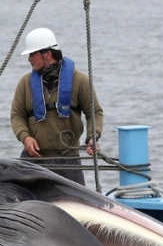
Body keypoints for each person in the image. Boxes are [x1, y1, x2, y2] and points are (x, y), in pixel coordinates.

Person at [10, 27, 103, 185]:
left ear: (47, 54)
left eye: (32, 54)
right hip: (34, 160)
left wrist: (92, 137)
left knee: (75, 206)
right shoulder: (25, 83)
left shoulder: (80, 81)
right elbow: (17, 115)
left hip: (69, 161)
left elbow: (94, 112)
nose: (29, 59)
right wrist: (25, 137)